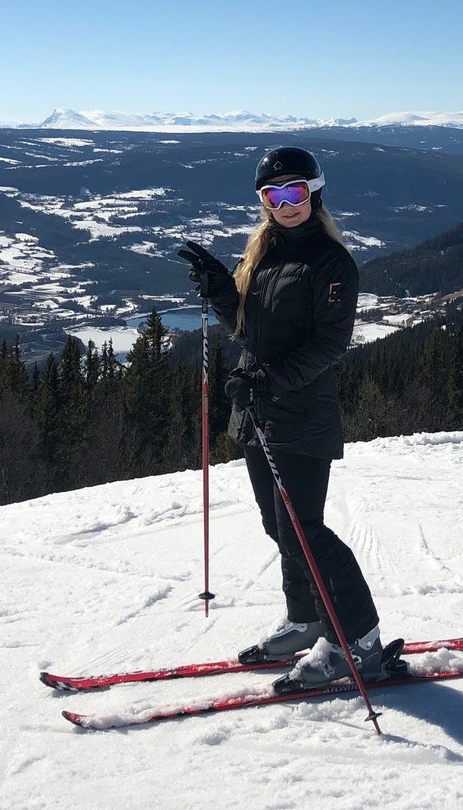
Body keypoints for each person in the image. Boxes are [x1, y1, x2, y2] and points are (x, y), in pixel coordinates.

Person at [177, 145, 388, 690]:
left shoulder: (331, 263)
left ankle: (358, 639)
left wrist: (263, 381)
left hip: (301, 413)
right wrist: (224, 290)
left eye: (295, 192)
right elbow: (253, 333)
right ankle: (305, 620)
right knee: (280, 527)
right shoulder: (265, 255)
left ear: (315, 192)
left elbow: (328, 347)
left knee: (306, 529)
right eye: (273, 195)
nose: (285, 204)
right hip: (259, 411)